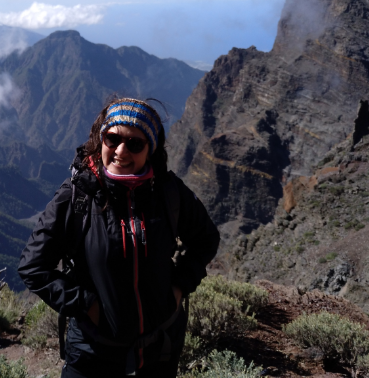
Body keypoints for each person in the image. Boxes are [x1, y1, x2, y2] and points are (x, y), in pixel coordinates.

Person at [18, 98, 220, 378]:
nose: (121, 151)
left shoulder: (168, 193)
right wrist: (85, 304)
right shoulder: (76, 197)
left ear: (150, 149)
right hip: (92, 355)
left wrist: (179, 287)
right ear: (101, 140)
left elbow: (206, 239)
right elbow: (33, 267)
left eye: (135, 144)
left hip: (158, 351)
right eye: (112, 139)